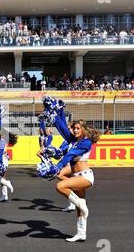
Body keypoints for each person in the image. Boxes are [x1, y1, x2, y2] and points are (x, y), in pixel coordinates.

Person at [38, 97, 101, 242]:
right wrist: (58, 111)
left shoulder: (86, 143)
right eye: (75, 128)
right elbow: (62, 129)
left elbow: (71, 154)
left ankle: (81, 204)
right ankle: (81, 233)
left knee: (60, 186)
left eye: (79, 129)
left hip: (85, 177)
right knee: (79, 210)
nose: (75, 130)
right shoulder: (74, 140)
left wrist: (58, 166)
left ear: (84, 130)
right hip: (77, 175)